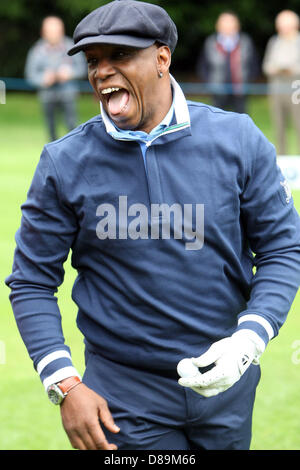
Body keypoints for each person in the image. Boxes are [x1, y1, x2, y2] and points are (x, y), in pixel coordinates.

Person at [6, 0, 300, 451]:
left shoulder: (238, 139)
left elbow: (283, 248)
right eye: (93, 61)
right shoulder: (64, 162)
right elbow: (30, 280)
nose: (102, 72)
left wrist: (249, 338)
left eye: (119, 56)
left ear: (162, 58)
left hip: (228, 387)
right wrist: (63, 381)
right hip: (121, 399)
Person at [25, 16, 86, 141]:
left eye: (57, 30)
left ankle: (75, 152)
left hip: (68, 94)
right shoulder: (37, 50)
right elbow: (30, 74)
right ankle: (53, 156)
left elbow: (83, 69)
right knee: (51, 129)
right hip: (47, 95)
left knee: (72, 126)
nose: (54, 34)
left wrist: (70, 74)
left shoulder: (71, 46)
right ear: (43, 32)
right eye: (50, 31)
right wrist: (43, 79)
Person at [197, 11, 259, 113]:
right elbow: (202, 66)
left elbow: (254, 64)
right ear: (218, 26)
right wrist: (210, 83)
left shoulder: (246, 42)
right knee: (217, 120)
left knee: (241, 122)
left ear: (237, 26)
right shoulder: (210, 42)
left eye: (230, 23)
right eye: (224, 24)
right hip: (218, 91)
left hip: (240, 91)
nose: (228, 27)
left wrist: (248, 81)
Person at [262, 10, 300, 155]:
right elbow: (266, 65)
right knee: (279, 126)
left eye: (287, 25)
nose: (283, 28)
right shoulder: (274, 41)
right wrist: (276, 69)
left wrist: (291, 69)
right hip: (276, 89)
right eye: (281, 25)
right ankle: (281, 158)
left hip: (296, 89)